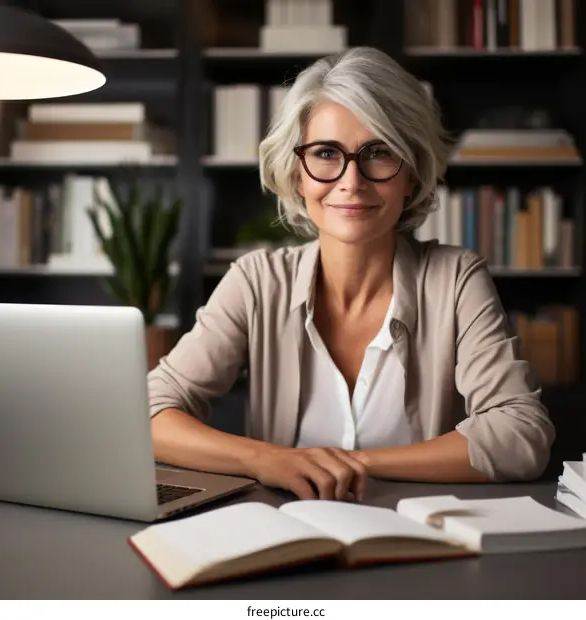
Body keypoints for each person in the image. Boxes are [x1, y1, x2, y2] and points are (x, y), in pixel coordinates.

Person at [148, 46, 554, 502]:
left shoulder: (455, 278)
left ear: (413, 173)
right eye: (325, 153)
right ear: (297, 174)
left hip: (424, 544)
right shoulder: (256, 281)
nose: (351, 182)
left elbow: (521, 434)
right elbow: (150, 414)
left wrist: (350, 464)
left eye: (378, 153)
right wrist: (266, 459)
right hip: (282, 543)